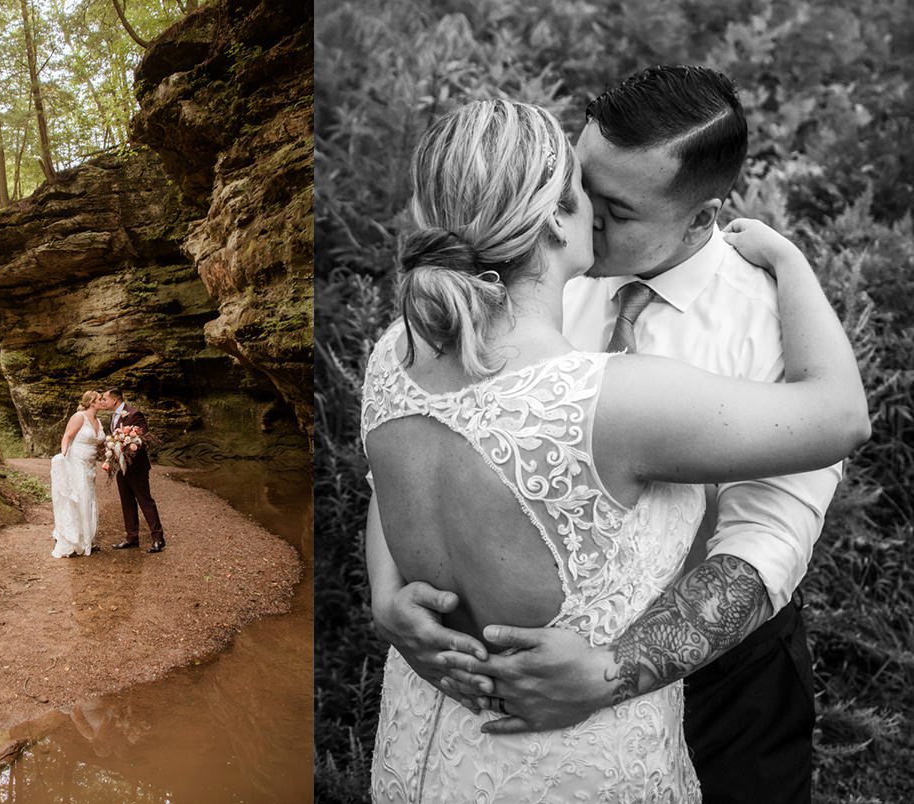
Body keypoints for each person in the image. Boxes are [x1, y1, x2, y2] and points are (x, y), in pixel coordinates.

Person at [362, 97, 869, 801]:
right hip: (539, 747)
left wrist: (614, 670)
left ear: (702, 214)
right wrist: (388, 598)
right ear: (552, 213)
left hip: (724, 678)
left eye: (619, 209)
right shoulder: (510, 314)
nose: (595, 220)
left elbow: (767, 540)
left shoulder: (405, 344)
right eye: (582, 187)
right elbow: (397, 467)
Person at [102, 387, 165, 553]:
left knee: (145, 501)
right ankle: (131, 538)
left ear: (114, 400)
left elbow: (142, 436)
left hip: (137, 467)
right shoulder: (112, 416)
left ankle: (158, 539)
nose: (103, 402)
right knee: (127, 502)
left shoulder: (134, 414)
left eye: (105, 399)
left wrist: (128, 443)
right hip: (121, 466)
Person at [51, 390, 105, 558]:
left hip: (90, 466)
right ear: (91, 402)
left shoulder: (99, 421)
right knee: (80, 498)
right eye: (99, 399)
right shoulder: (79, 417)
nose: (103, 401)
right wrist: (64, 456)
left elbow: (99, 445)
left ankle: (86, 538)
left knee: (89, 499)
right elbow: (67, 436)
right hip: (76, 463)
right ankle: (75, 541)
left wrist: (111, 454)